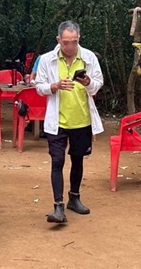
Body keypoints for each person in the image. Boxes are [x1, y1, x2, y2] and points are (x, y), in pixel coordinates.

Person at [34, 21, 104, 224]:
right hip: (57, 121)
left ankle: (75, 197)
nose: (70, 46)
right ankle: (58, 206)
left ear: (79, 39)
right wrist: (54, 86)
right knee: (57, 161)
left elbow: (98, 84)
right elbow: (38, 86)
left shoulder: (89, 58)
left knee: (78, 159)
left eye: (74, 42)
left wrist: (88, 82)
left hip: (82, 119)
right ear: (58, 40)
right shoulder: (47, 59)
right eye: (66, 42)